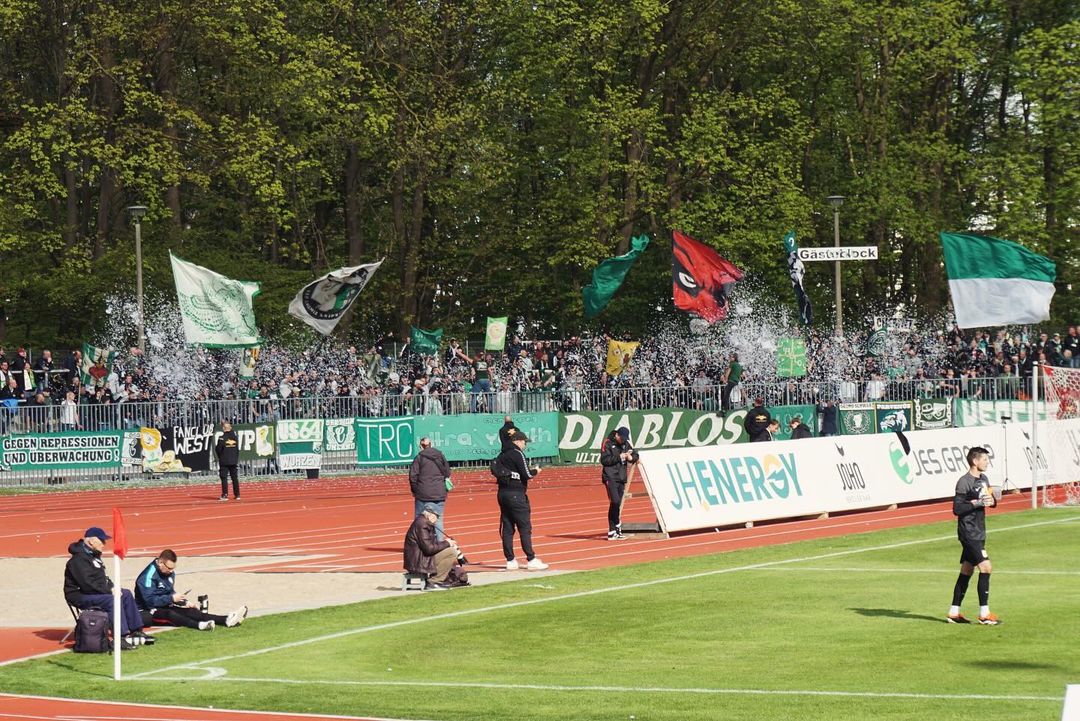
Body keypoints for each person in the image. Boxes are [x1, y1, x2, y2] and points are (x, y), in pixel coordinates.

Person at [63, 527, 150, 650]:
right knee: (112, 600)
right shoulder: (77, 560)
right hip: (79, 595)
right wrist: (109, 591)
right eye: (102, 541)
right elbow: (87, 584)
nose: (104, 544)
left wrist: (114, 587)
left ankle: (136, 630)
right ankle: (120, 637)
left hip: (94, 592)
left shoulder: (93, 556)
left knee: (125, 593)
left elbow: (104, 578)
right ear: (91, 541)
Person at [946, 446, 1001, 625]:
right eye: (984, 459)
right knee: (986, 568)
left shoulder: (984, 479)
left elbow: (991, 501)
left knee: (967, 570)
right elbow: (957, 509)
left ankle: (954, 613)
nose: (987, 462)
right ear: (975, 461)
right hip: (968, 532)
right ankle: (984, 614)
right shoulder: (964, 482)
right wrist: (977, 502)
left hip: (979, 531)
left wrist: (992, 501)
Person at [134, 549, 248, 630]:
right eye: (169, 568)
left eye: (173, 568)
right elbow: (149, 601)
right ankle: (199, 625)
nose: (171, 571)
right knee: (171, 614)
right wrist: (171, 598)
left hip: (164, 605)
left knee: (191, 611)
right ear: (160, 562)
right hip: (147, 611)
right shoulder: (147, 577)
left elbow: (168, 592)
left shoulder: (169, 573)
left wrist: (183, 601)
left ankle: (225, 619)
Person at [493, 431, 548, 570]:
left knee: (507, 528)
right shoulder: (517, 454)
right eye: (524, 442)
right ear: (517, 441)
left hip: (502, 493)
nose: (525, 444)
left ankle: (510, 560)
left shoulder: (502, 454)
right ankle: (531, 559)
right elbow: (527, 474)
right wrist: (537, 471)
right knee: (524, 527)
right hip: (516, 494)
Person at [403, 503, 468, 590]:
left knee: (450, 550)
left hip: (421, 558)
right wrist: (447, 543)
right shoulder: (422, 525)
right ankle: (434, 581)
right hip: (419, 561)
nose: (437, 519)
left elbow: (431, 545)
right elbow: (429, 549)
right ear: (430, 514)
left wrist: (446, 544)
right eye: (436, 516)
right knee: (451, 552)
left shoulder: (424, 522)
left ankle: (437, 579)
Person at [600, 426, 639, 540]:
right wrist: (619, 456)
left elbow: (635, 453)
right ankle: (616, 526)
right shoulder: (607, 443)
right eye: (621, 438)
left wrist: (631, 457)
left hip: (621, 477)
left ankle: (614, 530)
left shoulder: (625, 444)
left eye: (625, 439)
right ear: (617, 435)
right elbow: (604, 460)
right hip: (610, 476)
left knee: (617, 503)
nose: (623, 440)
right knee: (615, 501)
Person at [408, 437, 451, 540]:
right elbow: (447, 473)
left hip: (423, 494)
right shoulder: (440, 455)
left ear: (420, 446)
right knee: (438, 520)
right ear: (431, 444)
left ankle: (419, 543)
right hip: (439, 494)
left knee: (419, 520)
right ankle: (439, 543)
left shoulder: (419, 458)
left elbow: (413, 476)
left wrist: (415, 490)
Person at [216, 421, 240, 501]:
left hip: (224, 461)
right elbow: (237, 450)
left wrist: (221, 457)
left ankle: (225, 494)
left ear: (223, 428)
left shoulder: (222, 438)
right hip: (233, 460)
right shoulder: (235, 438)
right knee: (234, 478)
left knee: (224, 478)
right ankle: (237, 494)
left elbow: (218, 450)